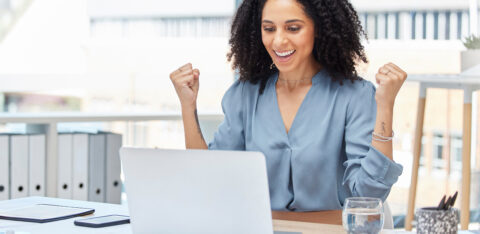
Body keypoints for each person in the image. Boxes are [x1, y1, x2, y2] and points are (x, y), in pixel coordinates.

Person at [169, 0, 407, 211]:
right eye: (269, 29)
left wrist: (385, 106)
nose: (279, 40)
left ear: (319, 29)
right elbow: (208, 178)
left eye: (293, 28)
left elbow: (368, 197)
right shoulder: (245, 95)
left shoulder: (353, 96)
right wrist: (188, 107)